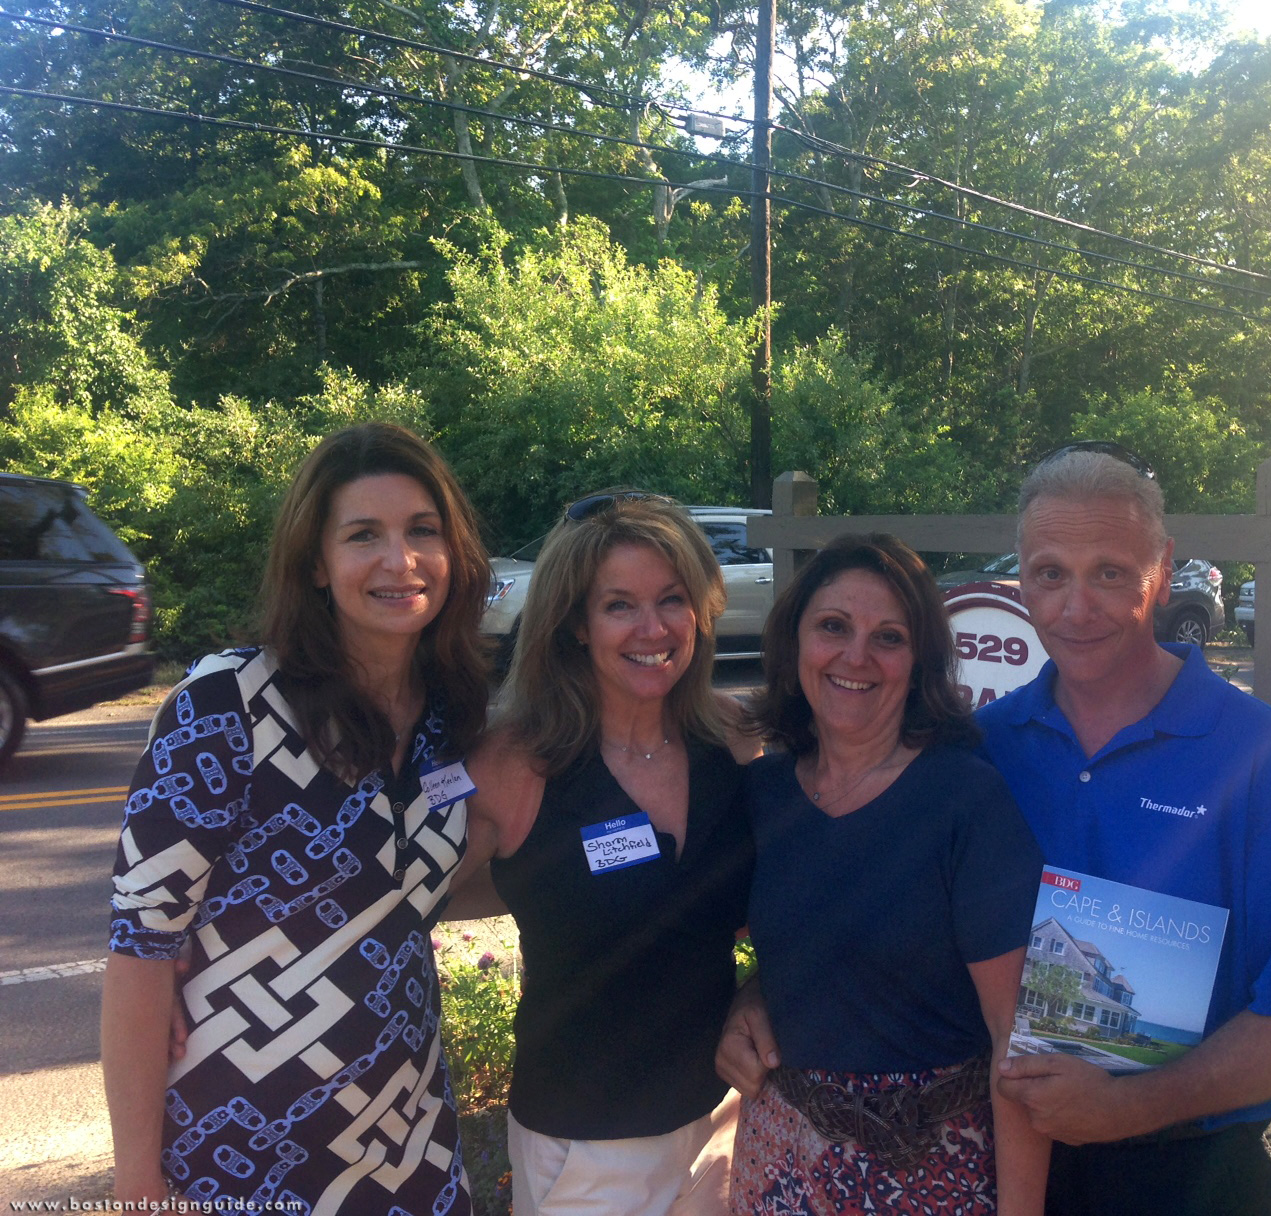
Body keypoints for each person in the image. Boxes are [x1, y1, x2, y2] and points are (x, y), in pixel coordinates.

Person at [981, 443, 1271, 1216]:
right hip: (1018, 1164)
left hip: (1210, 1169)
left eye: (1108, 572)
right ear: (1022, 579)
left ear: (1163, 569)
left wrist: (1134, 1105)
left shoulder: (1259, 759)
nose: (1075, 607)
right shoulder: (984, 749)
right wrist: (764, 994)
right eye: (1049, 573)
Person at [102, 422, 492, 1211]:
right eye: (363, 535)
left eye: (423, 530)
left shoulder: (456, 714)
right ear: (316, 562)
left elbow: (421, 888)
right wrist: (138, 1182)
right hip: (236, 1156)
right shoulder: (228, 705)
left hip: (407, 1148)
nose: (401, 559)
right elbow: (142, 947)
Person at [450, 491, 761, 1216]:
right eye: (619, 605)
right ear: (575, 625)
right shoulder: (515, 766)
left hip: (723, 1124)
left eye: (672, 599)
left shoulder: (733, 740)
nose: (652, 628)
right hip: (584, 1145)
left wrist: (762, 993)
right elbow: (387, 899)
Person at [723, 534, 1047, 1216]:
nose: (856, 656)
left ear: (920, 661)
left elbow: (1013, 1039)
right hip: (781, 1165)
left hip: (935, 1174)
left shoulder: (965, 801)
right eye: (833, 627)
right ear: (795, 641)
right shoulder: (764, 792)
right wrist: (743, 1001)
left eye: (888, 637)